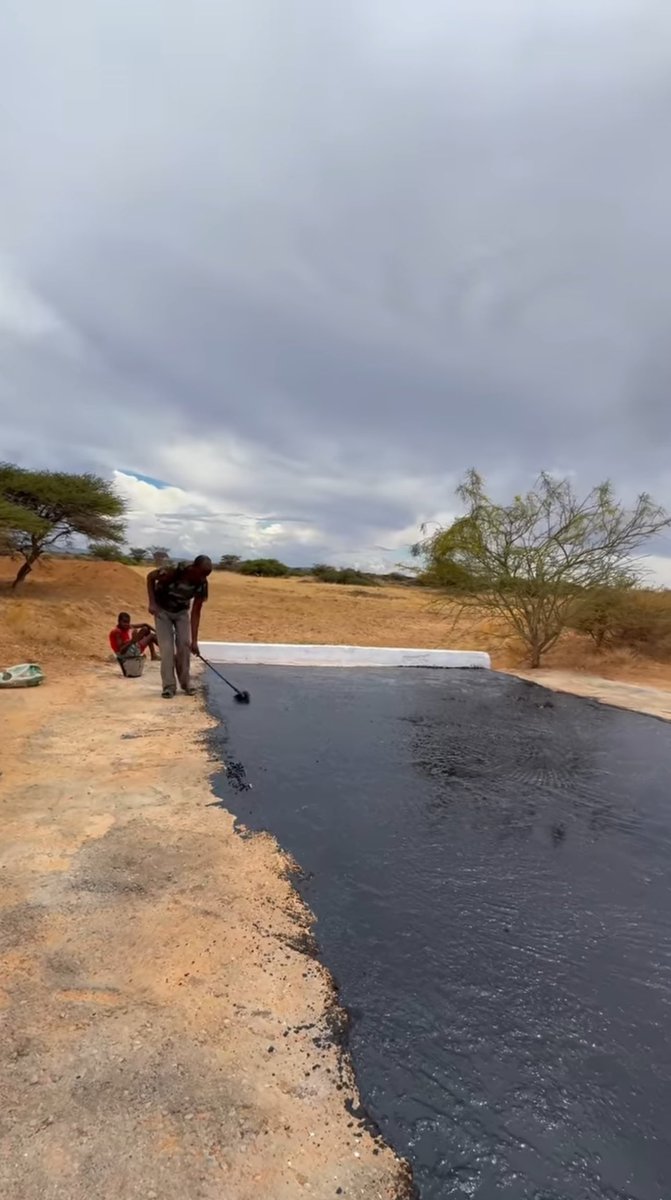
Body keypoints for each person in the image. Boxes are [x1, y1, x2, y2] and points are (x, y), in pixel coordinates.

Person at [147, 555, 212, 698]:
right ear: (193, 568)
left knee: (184, 645)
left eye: (206, 575)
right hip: (162, 611)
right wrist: (152, 603)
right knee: (167, 648)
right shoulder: (174, 571)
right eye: (201, 573)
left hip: (181, 612)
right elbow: (150, 577)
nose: (202, 578)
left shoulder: (202, 583)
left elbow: (196, 612)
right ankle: (169, 686)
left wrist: (194, 641)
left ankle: (185, 683)